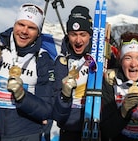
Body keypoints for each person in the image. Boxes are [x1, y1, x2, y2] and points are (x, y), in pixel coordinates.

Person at [0, 3, 58, 141]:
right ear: (14, 24)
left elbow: (46, 110)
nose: (24, 31)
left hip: (25, 134)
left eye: (31, 27)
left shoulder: (43, 60)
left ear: (38, 32)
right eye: (21, 24)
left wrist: (22, 96)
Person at [52, 5, 93, 141]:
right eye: (73, 34)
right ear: (68, 35)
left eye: (83, 34)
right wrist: (64, 95)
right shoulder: (61, 61)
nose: (78, 40)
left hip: (96, 126)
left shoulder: (100, 57)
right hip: (69, 129)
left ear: (90, 35)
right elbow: (57, 113)